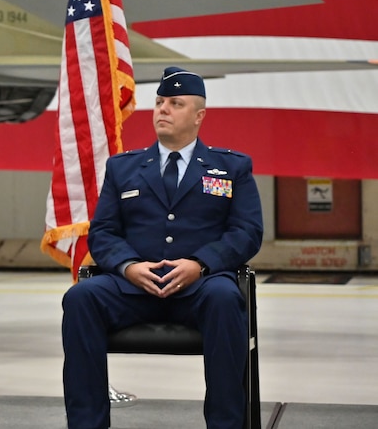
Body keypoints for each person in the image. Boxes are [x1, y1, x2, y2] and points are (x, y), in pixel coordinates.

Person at [61, 66, 263, 429]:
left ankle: (226, 424)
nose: (162, 110)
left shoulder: (230, 168)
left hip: (201, 286)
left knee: (225, 298)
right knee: (81, 298)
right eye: (158, 102)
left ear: (199, 116)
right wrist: (128, 267)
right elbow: (103, 232)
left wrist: (200, 264)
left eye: (175, 103)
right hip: (133, 286)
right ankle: (87, 424)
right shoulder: (123, 168)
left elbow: (247, 231)